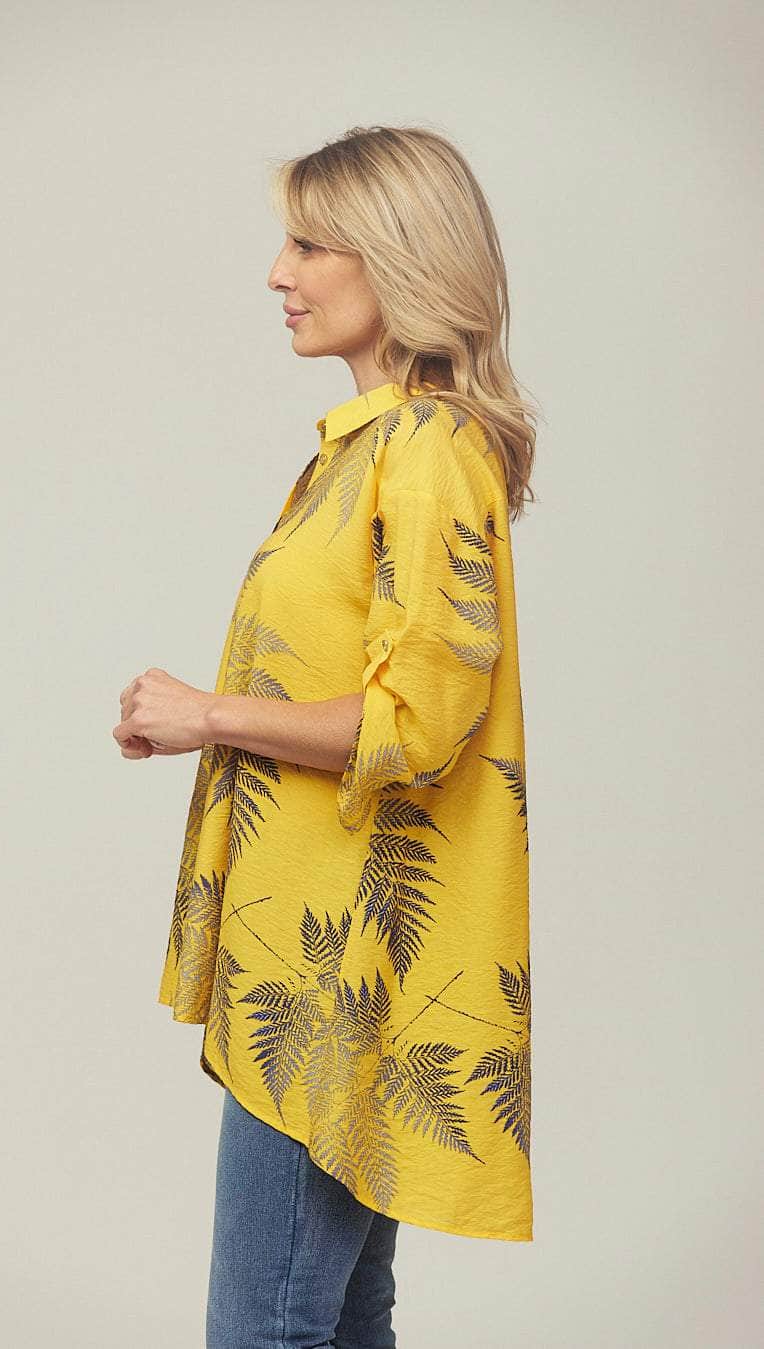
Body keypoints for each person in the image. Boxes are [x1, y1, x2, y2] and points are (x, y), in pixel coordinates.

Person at [113, 123, 539, 1349]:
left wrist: (208, 714)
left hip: (337, 961)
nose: (278, 273)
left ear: (398, 258)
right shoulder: (372, 450)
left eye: (309, 244)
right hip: (306, 945)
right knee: (338, 1319)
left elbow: (422, 723)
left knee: (267, 1326)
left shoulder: (429, 451)